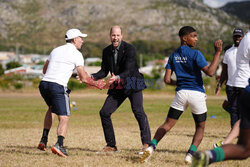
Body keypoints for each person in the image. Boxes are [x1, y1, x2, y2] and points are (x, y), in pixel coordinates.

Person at [140, 26, 223, 163]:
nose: (196, 39)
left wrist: (179, 84)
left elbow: (167, 80)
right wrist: (217, 53)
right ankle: (190, 154)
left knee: (167, 124)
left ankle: (151, 146)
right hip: (196, 94)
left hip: (181, 94)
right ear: (185, 38)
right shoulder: (196, 54)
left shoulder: (173, 56)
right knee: (200, 127)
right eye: (194, 36)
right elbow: (210, 72)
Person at [37, 28, 105, 157]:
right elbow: (84, 78)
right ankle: (59, 145)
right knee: (64, 117)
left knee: (51, 109)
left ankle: (44, 140)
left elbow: (45, 70)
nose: (82, 41)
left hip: (44, 84)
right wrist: (97, 84)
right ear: (74, 40)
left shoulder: (56, 50)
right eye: (80, 38)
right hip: (57, 86)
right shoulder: (76, 54)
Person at [192, 22, 250, 167]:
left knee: (244, 148)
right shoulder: (234, 49)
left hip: (246, 91)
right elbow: (224, 70)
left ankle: (210, 154)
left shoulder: (246, 40)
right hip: (238, 86)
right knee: (236, 114)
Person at [91, 25, 151, 154]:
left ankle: (146, 144)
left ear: (122, 36)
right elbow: (103, 71)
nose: (115, 38)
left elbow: (129, 69)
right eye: (113, 35)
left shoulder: (130, 49)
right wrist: (91, 77)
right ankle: (111, 146)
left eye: (118, 35)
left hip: (132, 82)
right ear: (110, 36)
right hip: (117, 85)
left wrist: (117, 77)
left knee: (138, 111)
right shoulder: (106, 51)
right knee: (104, 112)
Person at [214, 28, 244, 147]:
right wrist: (219, 85)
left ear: (243, 37)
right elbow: (225, 71)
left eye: (240, 36)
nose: (237, 38)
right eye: (236, 36)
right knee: (233, 112)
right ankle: (234, 138)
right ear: (233, 37)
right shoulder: (228, 52)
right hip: (231, 86)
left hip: (244, 85)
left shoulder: (247, 50)